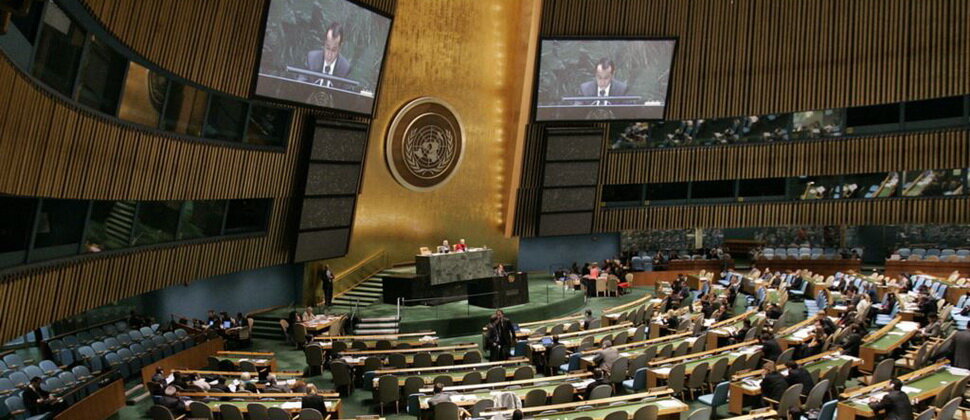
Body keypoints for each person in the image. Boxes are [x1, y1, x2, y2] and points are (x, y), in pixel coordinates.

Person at [301, 22, 351, 86]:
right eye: (327, 48)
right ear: (324, 43)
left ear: (340, 47)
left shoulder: (344, 68)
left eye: (334, 50)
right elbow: (300, 83)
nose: (329, 55)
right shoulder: (312, 59)